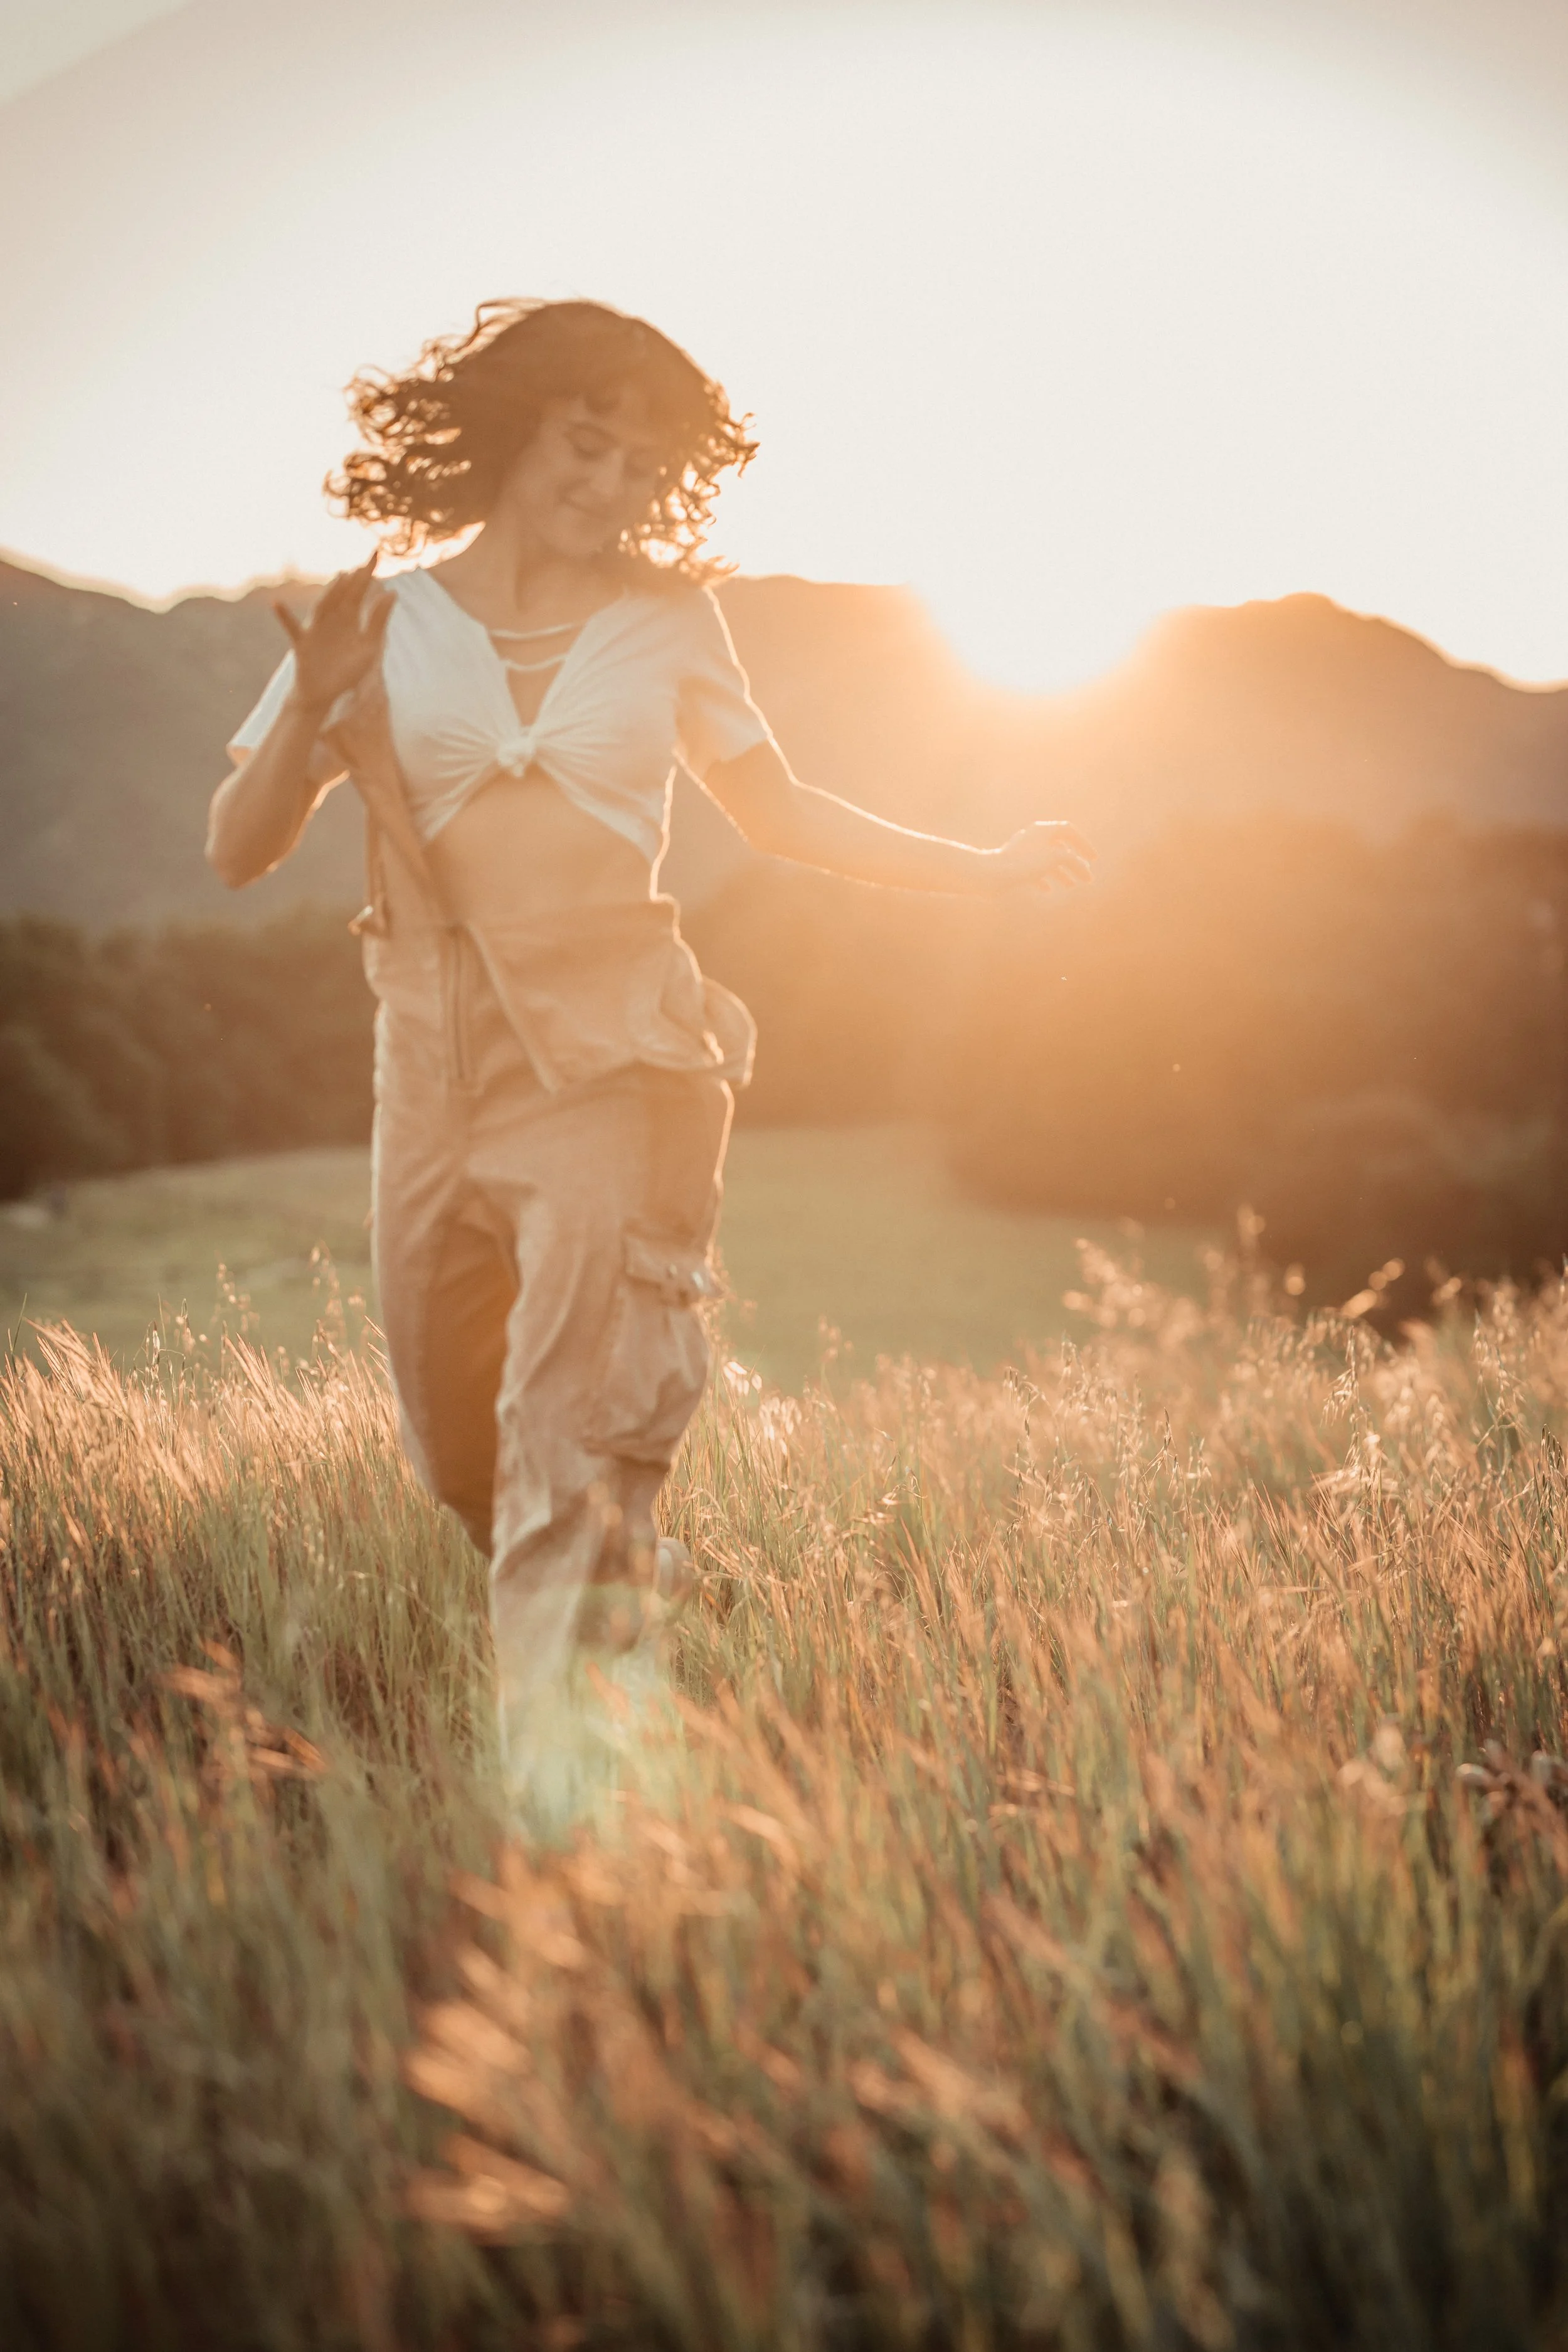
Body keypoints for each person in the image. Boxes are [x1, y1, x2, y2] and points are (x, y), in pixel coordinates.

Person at [208, 298, 1093, 1808]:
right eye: (584, 441)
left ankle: (569, 1821)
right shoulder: (384, 616)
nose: (607, 484)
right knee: (458, 1454)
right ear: (518, 427)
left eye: (640, 462)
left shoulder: (670, 619)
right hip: (428, 1063)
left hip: (621, 1064)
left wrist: (987, 863)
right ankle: (642, 1575)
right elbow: (237, 850)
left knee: (570, 1451)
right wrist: (318, 714)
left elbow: (786, 812)